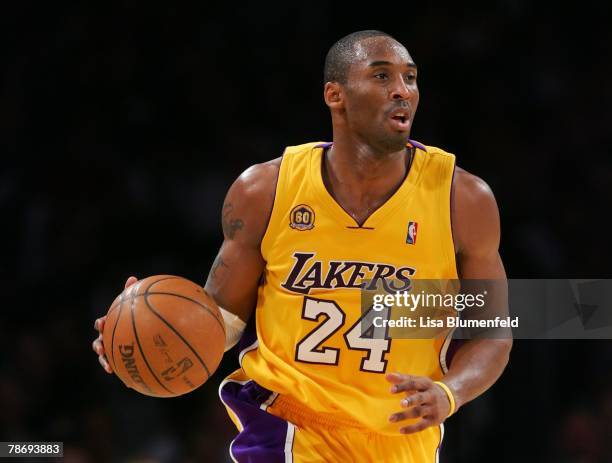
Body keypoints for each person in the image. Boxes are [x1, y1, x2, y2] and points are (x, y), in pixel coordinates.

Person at [93, 30, 512, 462]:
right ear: (336, 95)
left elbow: (492, 332)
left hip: (401, 437)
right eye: (382, 76)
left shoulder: (463, 201)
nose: (402, 91)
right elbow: (219, 323)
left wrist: (451, 393)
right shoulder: (265, 191)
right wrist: (143, 328)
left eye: (410, 78)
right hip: (288, 427)